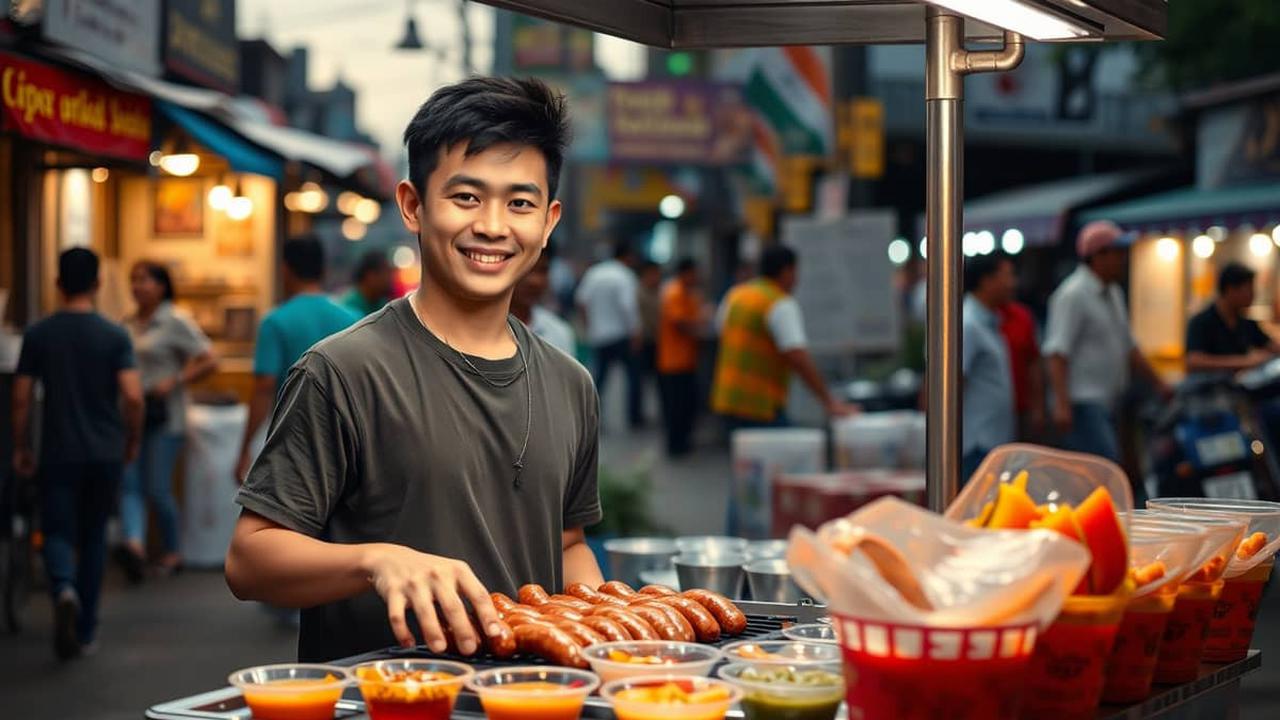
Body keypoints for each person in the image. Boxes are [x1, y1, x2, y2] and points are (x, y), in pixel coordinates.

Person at [225, 77, 603, 663]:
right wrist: (376, 561)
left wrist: (604, 632)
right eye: (467, 197)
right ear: (412, 206)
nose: (494, 226)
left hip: (528, 700)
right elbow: (249, 562)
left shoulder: (571, 382)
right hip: (386, 699)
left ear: (549, 221)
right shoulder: (341, 371)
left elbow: (568, 542)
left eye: (520, 203)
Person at [13, 248, 143, 659]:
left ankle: (63, 588)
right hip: (104, 450)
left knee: (56, 531)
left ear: (57, 283)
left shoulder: (39, 334)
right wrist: (132, 440)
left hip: (57, 451)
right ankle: (85, 629)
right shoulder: (114, 335)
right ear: (98, 283)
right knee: (92, 538)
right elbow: (133, 397)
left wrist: (20, 446)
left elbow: (20, 399)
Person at [117, 261, 217, 581]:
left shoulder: (175, 320)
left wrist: (175, 380)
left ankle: (173, 552)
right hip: (132, 414)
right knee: (129, 485)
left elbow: (210, 358)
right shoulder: (127, 323)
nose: (137, 286)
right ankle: (135, 546)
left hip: (165, 417)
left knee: (157, 488)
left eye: (144, 280)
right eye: (134, 280)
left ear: (162, 286)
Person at [1044, 220, 1171, 464]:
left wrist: (1159, 383)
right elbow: (1056, 353)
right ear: (1098, 256)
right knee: (1103, 466)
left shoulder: (1113, 292)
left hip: (1110, 401)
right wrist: (1061, 405)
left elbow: (1129, 346)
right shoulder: (1072, 295)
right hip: (1082, 402)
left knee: (1105, 467)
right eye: (1117, 253)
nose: (1123, 259)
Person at [234, 236, 358, 484]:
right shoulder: (354, 319)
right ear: (323, 271)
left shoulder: (275, 321)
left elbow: (264, 387)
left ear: (285, 270)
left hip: (293, 439)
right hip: (346, 436)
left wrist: (245, 447)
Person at [713, 245, 857, 428]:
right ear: (787, 271)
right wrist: (828, 401)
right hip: (760, 406)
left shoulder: (735, 296)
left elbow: (723, 332)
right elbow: (797, 357)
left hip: (728, 400)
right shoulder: (780, 303)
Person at [961, 253, 1017, 481]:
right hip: (977, 444)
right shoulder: (968, 325)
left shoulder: (990, 322)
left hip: (993, 443)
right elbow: (950, 384)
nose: (1013, 284)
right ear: (986, 281)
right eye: (1007, 276)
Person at [576, 242, 642, 429]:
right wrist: (635, 332)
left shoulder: (594, 273)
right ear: (627, 257)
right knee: (633, 377)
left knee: (599, 380)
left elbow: (581, 301)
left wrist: (589, 326)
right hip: (621, 335)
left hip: (599, 335)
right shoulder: (626, 276)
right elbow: (628, 307)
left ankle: (592, 418)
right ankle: (634, 417)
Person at [1185, 262, 1280, 373]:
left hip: (1234, 385)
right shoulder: (1201, 322)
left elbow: (1272, 346)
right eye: (1249, 289)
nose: (1253, 295)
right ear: (1230, 289)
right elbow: (1193, 361)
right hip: (1206, 386)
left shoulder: (1246, 324)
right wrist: (1245, 362)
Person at [657, 258, 705, 456]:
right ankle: (675, 446)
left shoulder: (690, 294)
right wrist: (700, 328)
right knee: (675, 408)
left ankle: (683, 442)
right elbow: (679, 323)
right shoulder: (673, 292)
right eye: (694, 273)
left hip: (687, 360)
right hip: (672, 362)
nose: (697, 277)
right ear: (686, 273)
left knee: (686, 406)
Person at [511, 244, 577, 358]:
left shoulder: (559, 332)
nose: (534, 281)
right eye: (525, 269)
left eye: (542, 270)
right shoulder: (477, 331)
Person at [1000, 297, 1046, 440]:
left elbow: (1033, 363)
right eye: (1005, 275)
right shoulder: (970, 318)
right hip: (985, 415)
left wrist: (1038, 406)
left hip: (1021, 408)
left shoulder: (1021, 316)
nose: (1011, 283)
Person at [636, 260, 663, 420]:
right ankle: (638, 414)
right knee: (641, 380)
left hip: (658, 342)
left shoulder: (660, 292)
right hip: (645, 341)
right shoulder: (640, 292)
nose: (656, 277)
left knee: (659, 380)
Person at [342, 249, 394, 317]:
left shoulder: (386, 306)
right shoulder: (347, 308)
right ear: (370, 276)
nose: (390, 278)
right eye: (386, 272)